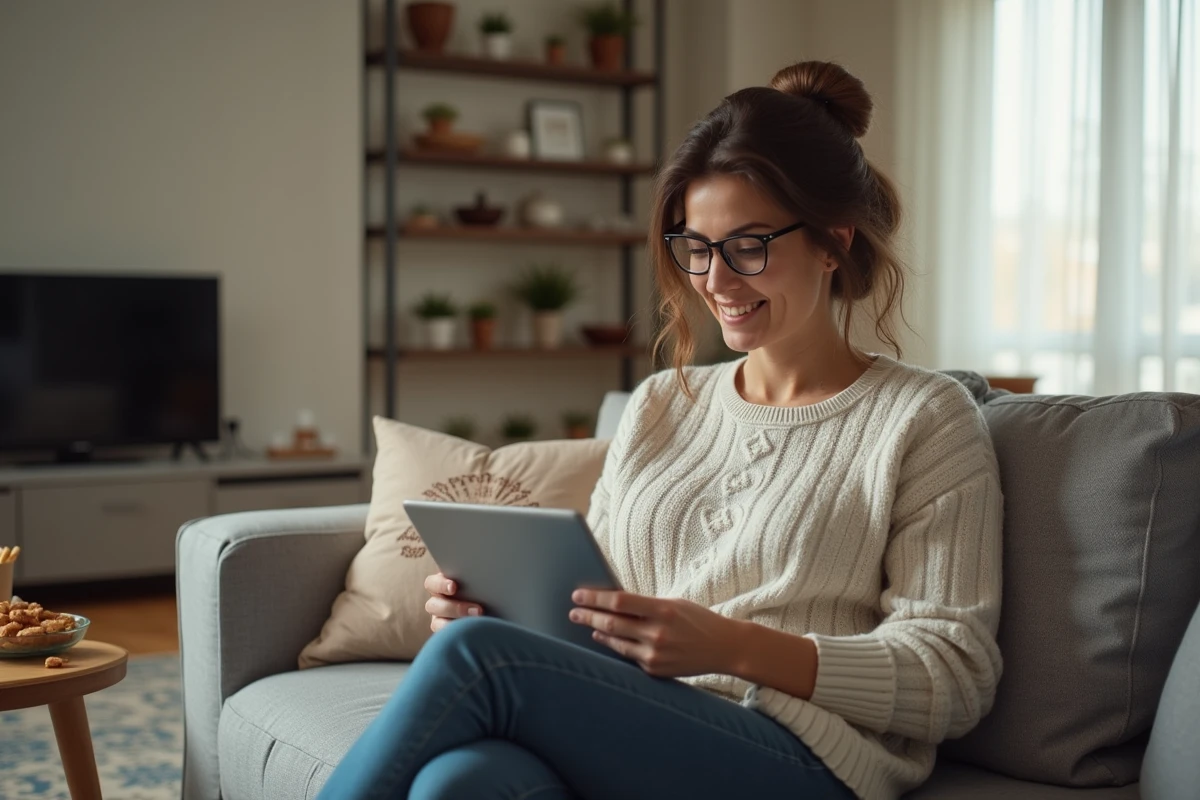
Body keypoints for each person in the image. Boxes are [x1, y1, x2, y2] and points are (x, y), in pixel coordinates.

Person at [317, 60, 1003, 800]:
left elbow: (954, 676)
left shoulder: (925, 419)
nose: (714, 281)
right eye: (695, 248)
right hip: (638, 720)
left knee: (482, 660)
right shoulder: (659, 406)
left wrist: (736, 647)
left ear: (833, 241)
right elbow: (595, 612)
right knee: (462, 782)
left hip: (806, 757)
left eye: (748, 246)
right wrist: (505, 613)